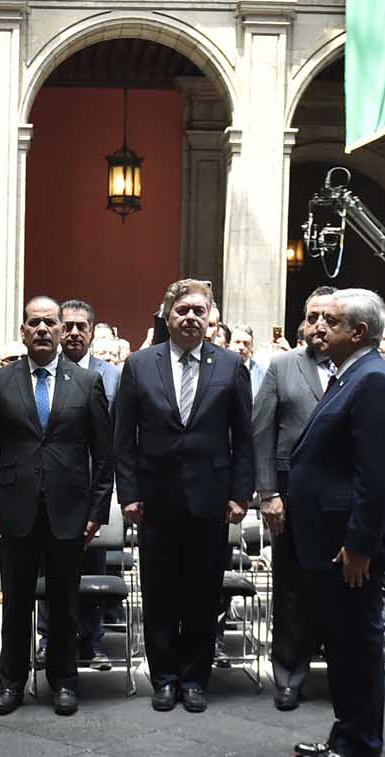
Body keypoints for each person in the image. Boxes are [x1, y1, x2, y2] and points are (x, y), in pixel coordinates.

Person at [115, 278, 255, 713]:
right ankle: (164, 678)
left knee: (202, 592)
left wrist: (239, 494)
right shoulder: (140, 365)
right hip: (156, 499)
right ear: (168, 315)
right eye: (183, 311)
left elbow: (244, 439)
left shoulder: (230, 366)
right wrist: (129, 494)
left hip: (210, 501)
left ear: (210, 318)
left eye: (199, 311)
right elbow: (123, 438)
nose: (191, 317)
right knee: (159, 592)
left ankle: (195, 678)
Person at [0, 296, 113, 717]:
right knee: (15, 602)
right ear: (23, 331)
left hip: (69, 513)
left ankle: (65, 682)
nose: (42, 330)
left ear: (59, 328)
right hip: (14, 513)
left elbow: (103, 456)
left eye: (50, 323)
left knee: (65, 601)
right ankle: (11, 683)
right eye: (34, 323)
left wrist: (96, 512)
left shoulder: (86, 383)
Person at [283, 289, 385, 757]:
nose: (316, 328)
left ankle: (358, 745)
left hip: (348, 547)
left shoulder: (372, 380)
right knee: (343, 641)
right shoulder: (351, 374)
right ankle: (345, 732)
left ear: (357, 332)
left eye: (329, 322)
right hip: (333, 540)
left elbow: (375, 477)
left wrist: (359, 546)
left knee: (356, 643)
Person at [252, 286, 336, 710]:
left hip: (342, 500)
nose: (319, 324)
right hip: (289, 496)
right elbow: (261, 431)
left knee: (340, 589)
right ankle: (288, 675)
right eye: (312, 316)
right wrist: (268, 493)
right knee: (291, 590)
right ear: (302, 323)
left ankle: (339, 672)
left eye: (328, 316)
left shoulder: (361, 368)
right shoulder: (281, 367)